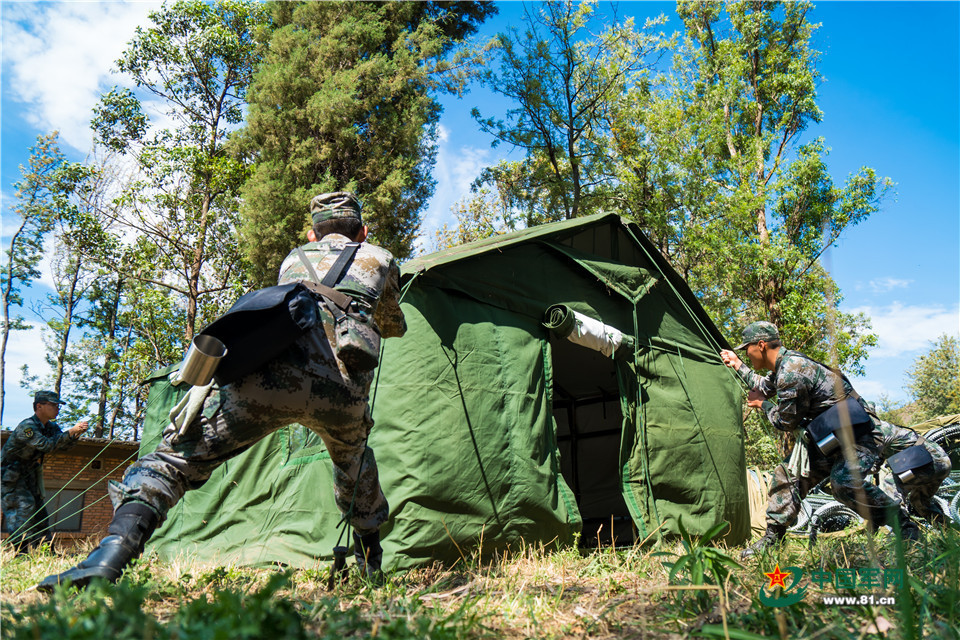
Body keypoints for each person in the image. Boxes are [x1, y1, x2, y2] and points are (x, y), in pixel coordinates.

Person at [39, 192, 406, 590]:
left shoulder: (293, 259)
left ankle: (109, 555)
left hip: (266, 379)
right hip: (341, 389)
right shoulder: (380, 257)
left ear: (311, 234)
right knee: (356, 471)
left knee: (175, 459)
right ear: (363, 231)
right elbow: (392, 325)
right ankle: (371, 571)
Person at [720, 321, 917, 559]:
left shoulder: (792, 371)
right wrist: (737, 364)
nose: (746, 354)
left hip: (858, 436)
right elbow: (763, 384)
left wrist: (763, 404)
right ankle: (774, 537)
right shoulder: (783, 368)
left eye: (746, 349)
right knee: (786, 473)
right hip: (829, 437)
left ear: (760, 345)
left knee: (843, 484)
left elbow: (785, 422)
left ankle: (904, 526)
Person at [2, 391, 88, 553]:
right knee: (23, 508)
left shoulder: (51, 427)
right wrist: (70, 432)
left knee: (40, 513)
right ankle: (21, 552)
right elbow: (46, 445)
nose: (57, 409)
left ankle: (46, 551)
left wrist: (75, 434)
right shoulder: (27, 427)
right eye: (54, 405)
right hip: (11, 475)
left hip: (30, 474)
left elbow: (61, 445)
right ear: (39, 406)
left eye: (58, 406)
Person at [874, 420, 951, 524]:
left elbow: (868, 466)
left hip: (931, 462)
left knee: (890, 483)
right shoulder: (878, 430)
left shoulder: (878, 431)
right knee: (919, 501)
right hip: (939, 462)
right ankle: (950, 529)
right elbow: (874, 466)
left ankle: (905, 533)